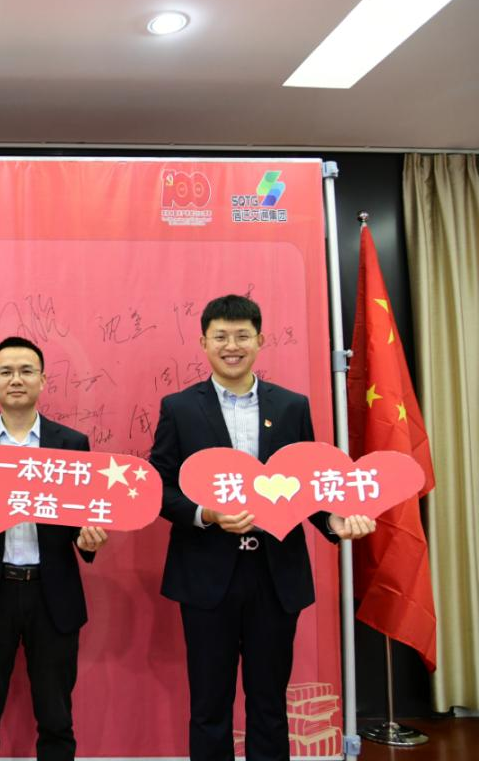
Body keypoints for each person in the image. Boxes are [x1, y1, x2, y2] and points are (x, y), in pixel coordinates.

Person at [149, 294, 376, 761]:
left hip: (275, 575)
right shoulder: (179, 407)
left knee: (270, 704)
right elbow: (160, 486)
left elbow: (306, 487)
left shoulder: (292, 407)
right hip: (207, 576)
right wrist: (206, 514)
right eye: (221, 337)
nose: (231, 346)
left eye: (242, 336)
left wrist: (333, 521)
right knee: (209, 704)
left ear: (260, 340)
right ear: (204, 343)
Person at [0, 336, 108, 761]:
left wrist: (88, 537)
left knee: (56, 719)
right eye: (6, 372)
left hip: (52, 595)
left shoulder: (71, 444)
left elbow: (85, 514)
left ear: (43, 380)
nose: (16, 379)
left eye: (26, 371)